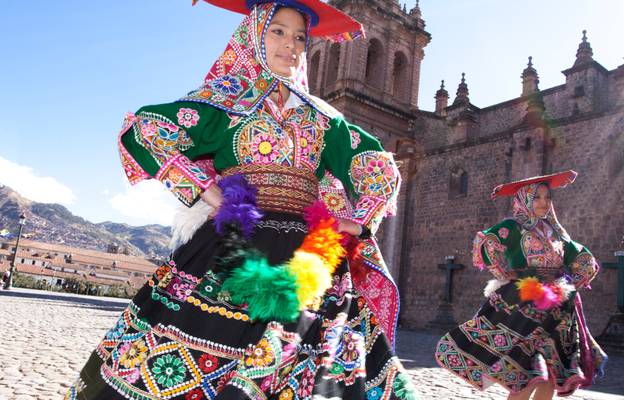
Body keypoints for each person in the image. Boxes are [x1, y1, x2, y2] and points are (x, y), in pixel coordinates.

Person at [66, 1, 415, 399]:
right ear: (253, 33)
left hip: (308, 259)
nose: (292, 45)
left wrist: (357, 221)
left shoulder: (324, 119)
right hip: (229, 246)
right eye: (278, 32)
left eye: (300, 37)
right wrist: (205, 188)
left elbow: (378, 167)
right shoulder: (225, 103)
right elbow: (146, 129)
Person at [435, 171, 606, 400]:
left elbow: (581, 258)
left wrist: (572, 281)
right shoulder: (514, 226)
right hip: (526, 303)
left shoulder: (555, 231)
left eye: (547, 197)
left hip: (558, 306)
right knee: (526, 370)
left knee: (551, 374)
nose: (543, 203)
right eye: (537, 198)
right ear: (524, 199)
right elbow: (488, 241)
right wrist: (503, 273)